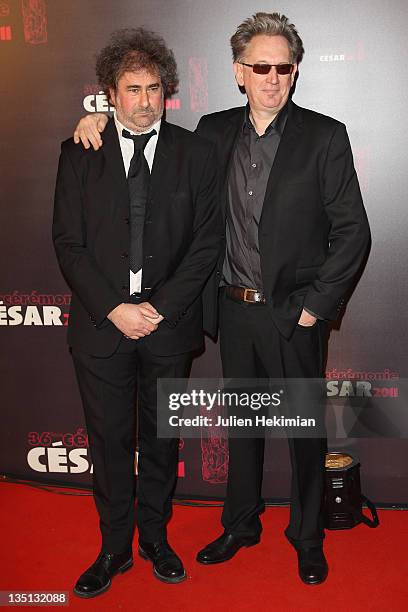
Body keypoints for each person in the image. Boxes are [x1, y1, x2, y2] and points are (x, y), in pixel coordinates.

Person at [72, 13, 370, 585]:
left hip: (294, 314)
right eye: (260, 66)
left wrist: (317, 304)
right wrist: (92, 120)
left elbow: (353, 230)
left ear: (295, 72)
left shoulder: (325, 135)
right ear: (238, 72)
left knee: (304, 430)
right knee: (243, 428)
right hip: (231, 309)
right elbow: (144, 132)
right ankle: (241, 523)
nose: (272, 78)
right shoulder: (210, 131)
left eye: (284, 67)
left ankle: (308, 535)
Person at [53, 27, 221, 597]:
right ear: (110, 93)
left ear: (166, 90)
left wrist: (158, 308)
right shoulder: (81, 150)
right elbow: (68, 244)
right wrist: (115, 309)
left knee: (161, 439)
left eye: (154, 88)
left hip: (167, 326)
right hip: (102, 328)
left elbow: (206, 242)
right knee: (107, 441)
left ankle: (155, 538)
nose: (145, 100)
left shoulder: (196, 152)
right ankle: (113, 548)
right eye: (132, 89)